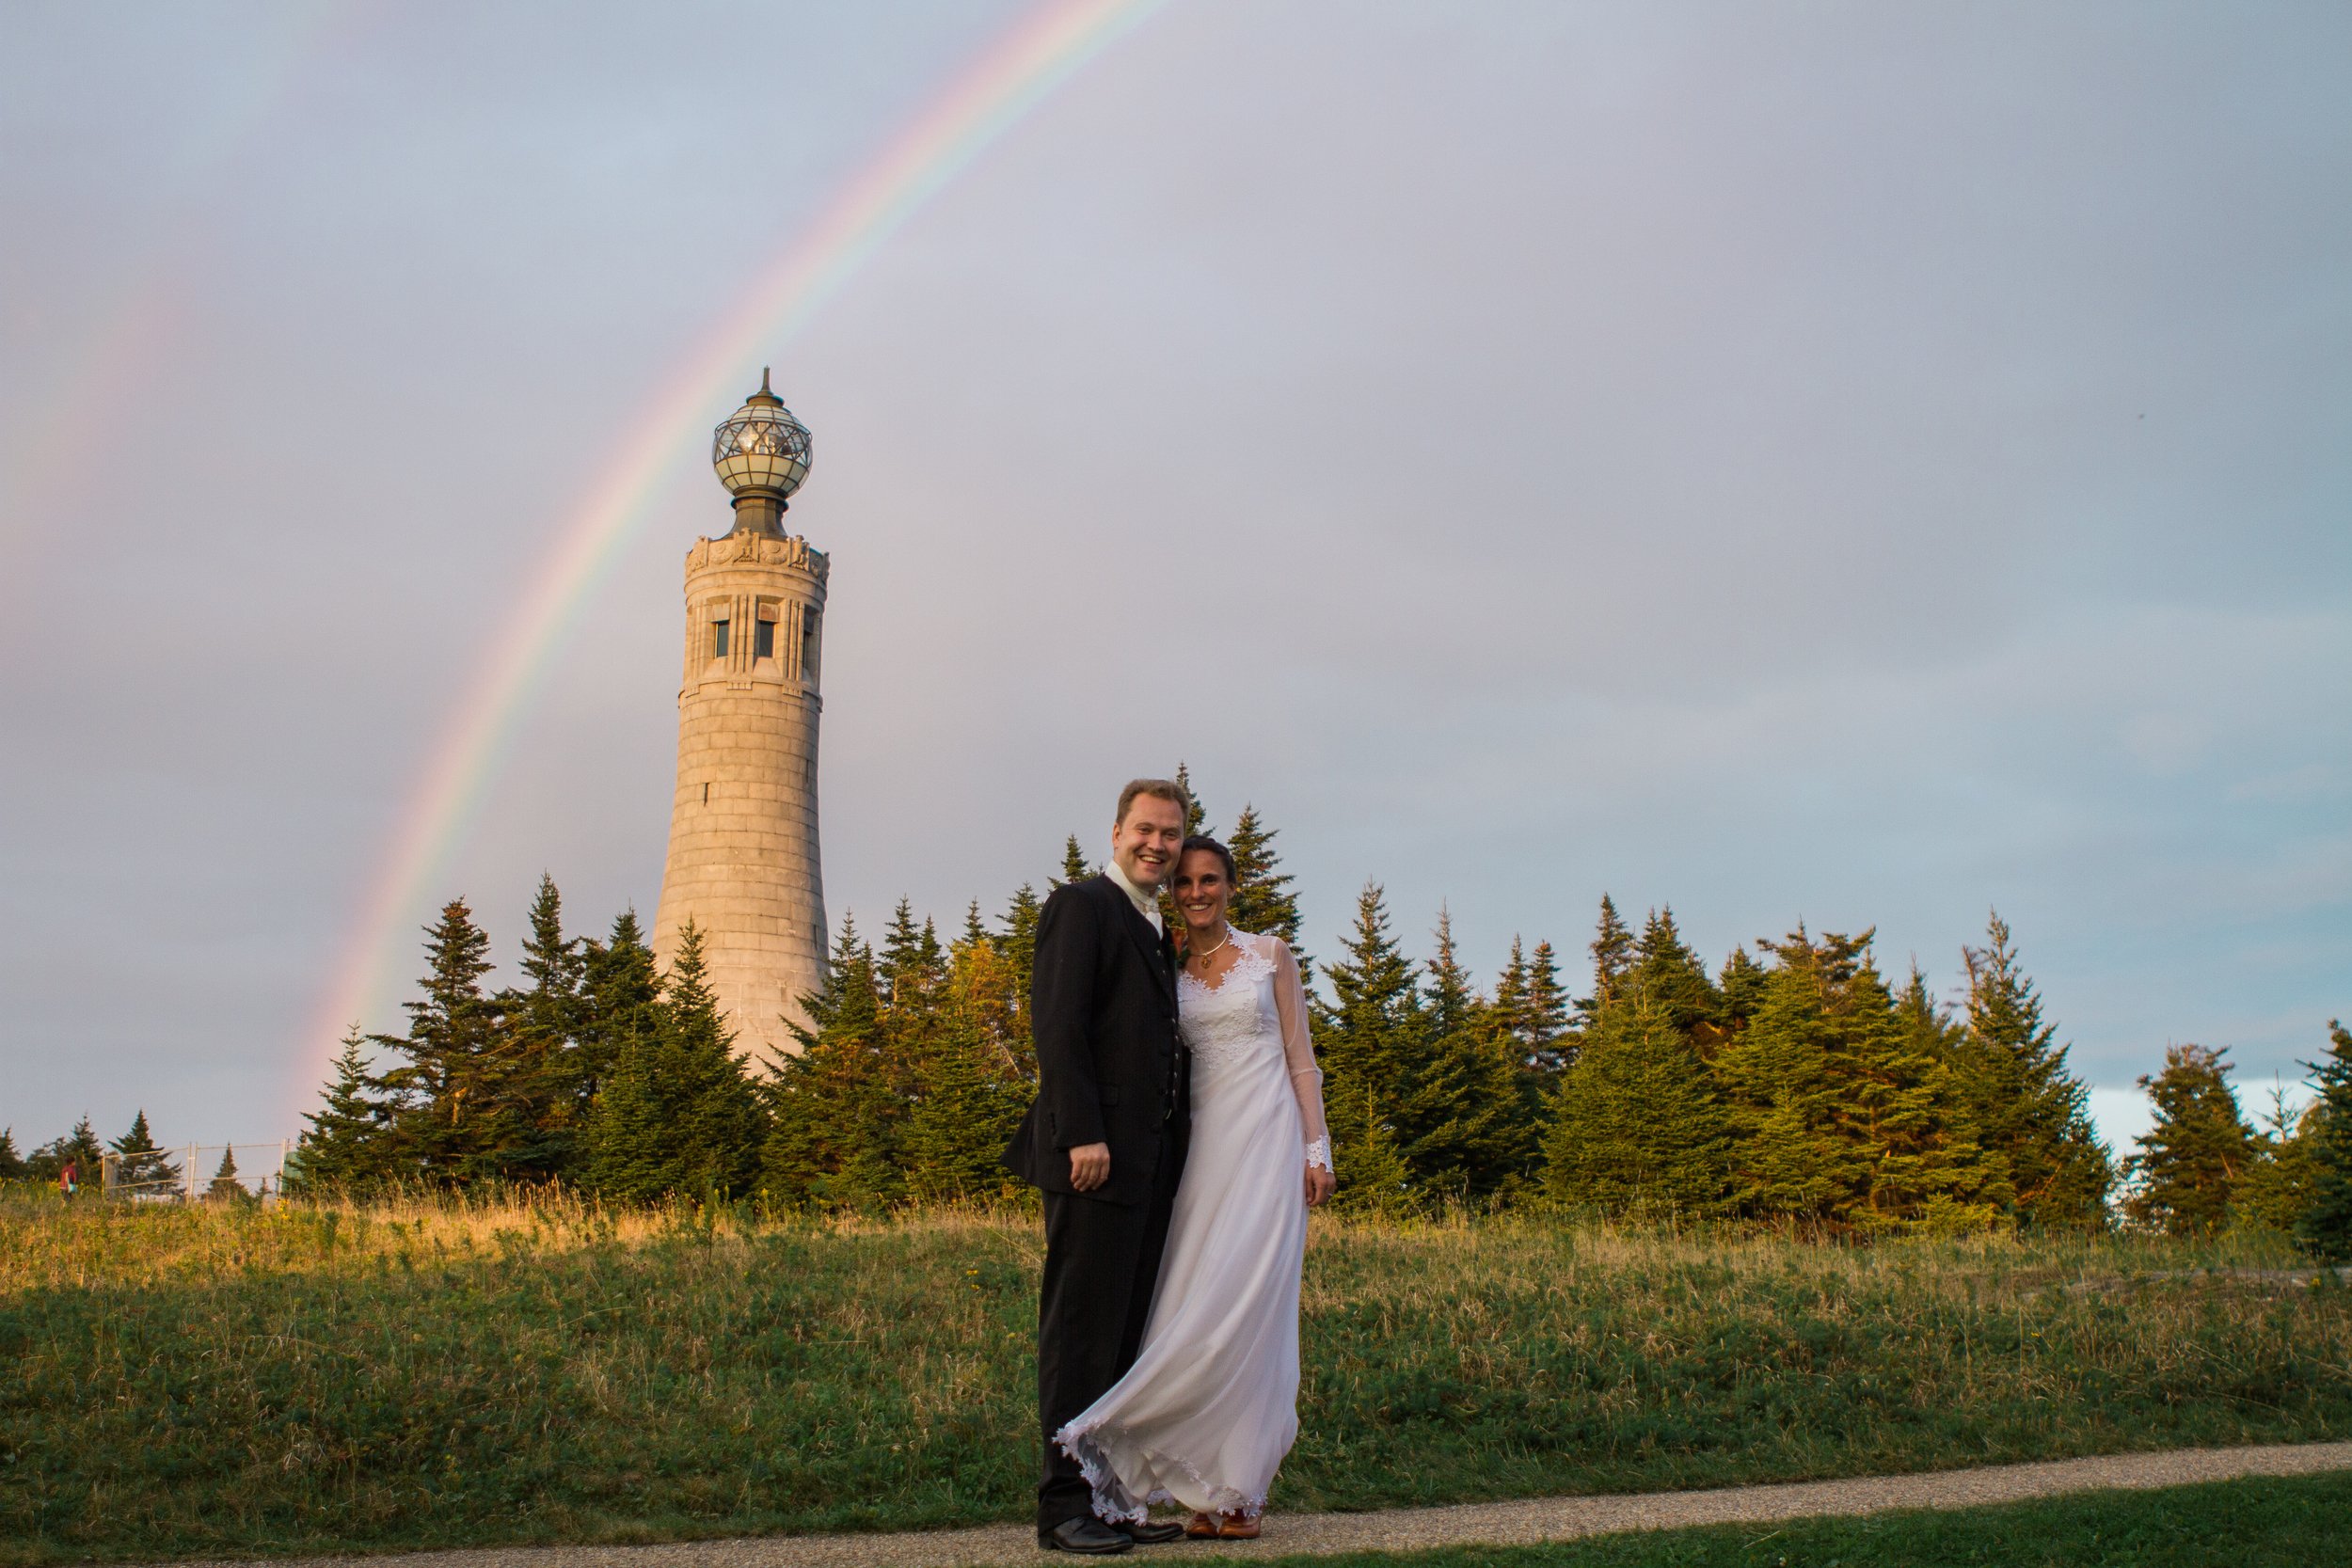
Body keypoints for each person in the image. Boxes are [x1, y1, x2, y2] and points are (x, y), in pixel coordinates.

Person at [1056, 832, 1337, 1541]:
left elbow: (1302, 1061)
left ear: (1231, 886)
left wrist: (1316, 1147)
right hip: (1201, 1154)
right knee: (1193, 1307)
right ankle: (1189, 1480)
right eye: (1184, 883)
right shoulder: (1168, 968)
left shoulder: (1270, 955)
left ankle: (1242, 1486)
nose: (1197, 893)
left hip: (1269, 1146)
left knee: (1252, 1311)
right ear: (1172, 892)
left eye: (1210, 880)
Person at [1004, 779, 1196, 1555]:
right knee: (1081, 1335)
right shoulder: (1081, 904)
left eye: (1172, 834)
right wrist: (1082, 1130)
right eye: (1146, 830)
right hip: (1092, 1161)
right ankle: (1061, 1507)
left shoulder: (1155, 927)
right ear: (1116, 831)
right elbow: (1057, 1023)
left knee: (1122, 1343)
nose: (1158, 843)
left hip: (1146, 1170)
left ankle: (1109, 1500)